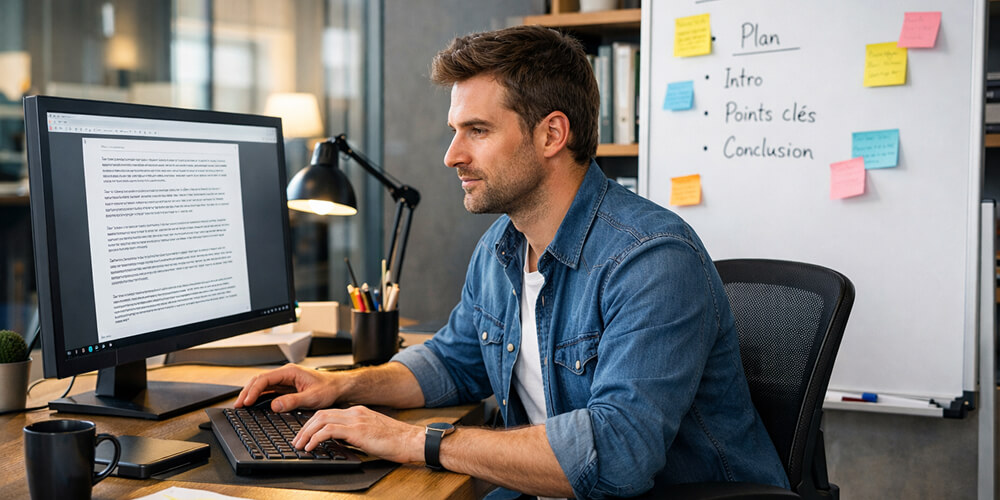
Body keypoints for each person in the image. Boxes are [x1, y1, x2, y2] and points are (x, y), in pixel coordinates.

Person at [236, 25, 789, 499]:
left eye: (477, 131)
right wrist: (340, 386)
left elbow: (619, 454)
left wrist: (411, 440)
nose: (452, 155)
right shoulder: (501, 247)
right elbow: (452, 362)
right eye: (455, 131)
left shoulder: (650, 260)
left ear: (552, 134)